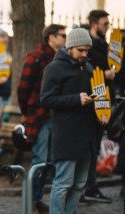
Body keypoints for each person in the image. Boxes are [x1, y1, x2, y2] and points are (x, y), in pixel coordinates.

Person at [41, 28, 97, 214]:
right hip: (66, 135)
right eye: (81, 50)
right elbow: (46, 99)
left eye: (87, 50)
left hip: (87, 136)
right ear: (70, 47)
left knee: (80, 184)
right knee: (63, 183)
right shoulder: (54, 68)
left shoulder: (88, 67)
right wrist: (75, 99)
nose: (84, 54)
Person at [17, 24, 66, 214]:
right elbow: (23, 89)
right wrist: (26, 112)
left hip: (56, 117)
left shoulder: (60, 59)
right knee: (40, 159)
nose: (65, 38)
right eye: (62, 35)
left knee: (51, 161)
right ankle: (31, 201)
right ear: (51, 37)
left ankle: (37, 200)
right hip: (39, 117)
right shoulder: (36, 58)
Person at [81, 9, 113, 204]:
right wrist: (105, 73)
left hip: (105, 100)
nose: (107, 27)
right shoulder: (87, 47)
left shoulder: (106, 45)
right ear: (95, 25)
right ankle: (84, 188)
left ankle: (90, 186)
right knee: (87, 147)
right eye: (104, 24)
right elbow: (89, 74)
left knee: (95, 147)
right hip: (90, 101)